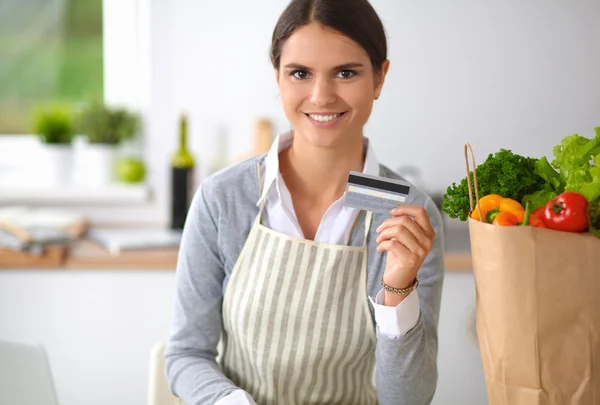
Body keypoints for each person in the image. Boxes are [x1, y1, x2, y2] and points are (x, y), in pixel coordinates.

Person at [164, 0, 445, 404]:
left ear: (379, 79)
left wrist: (398, 287)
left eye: (346, 73)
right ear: (278, 77)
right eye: (300, 73)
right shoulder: (224, 198)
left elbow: (406, 399)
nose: (321, 95)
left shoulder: (404, 214)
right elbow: (186, 354)